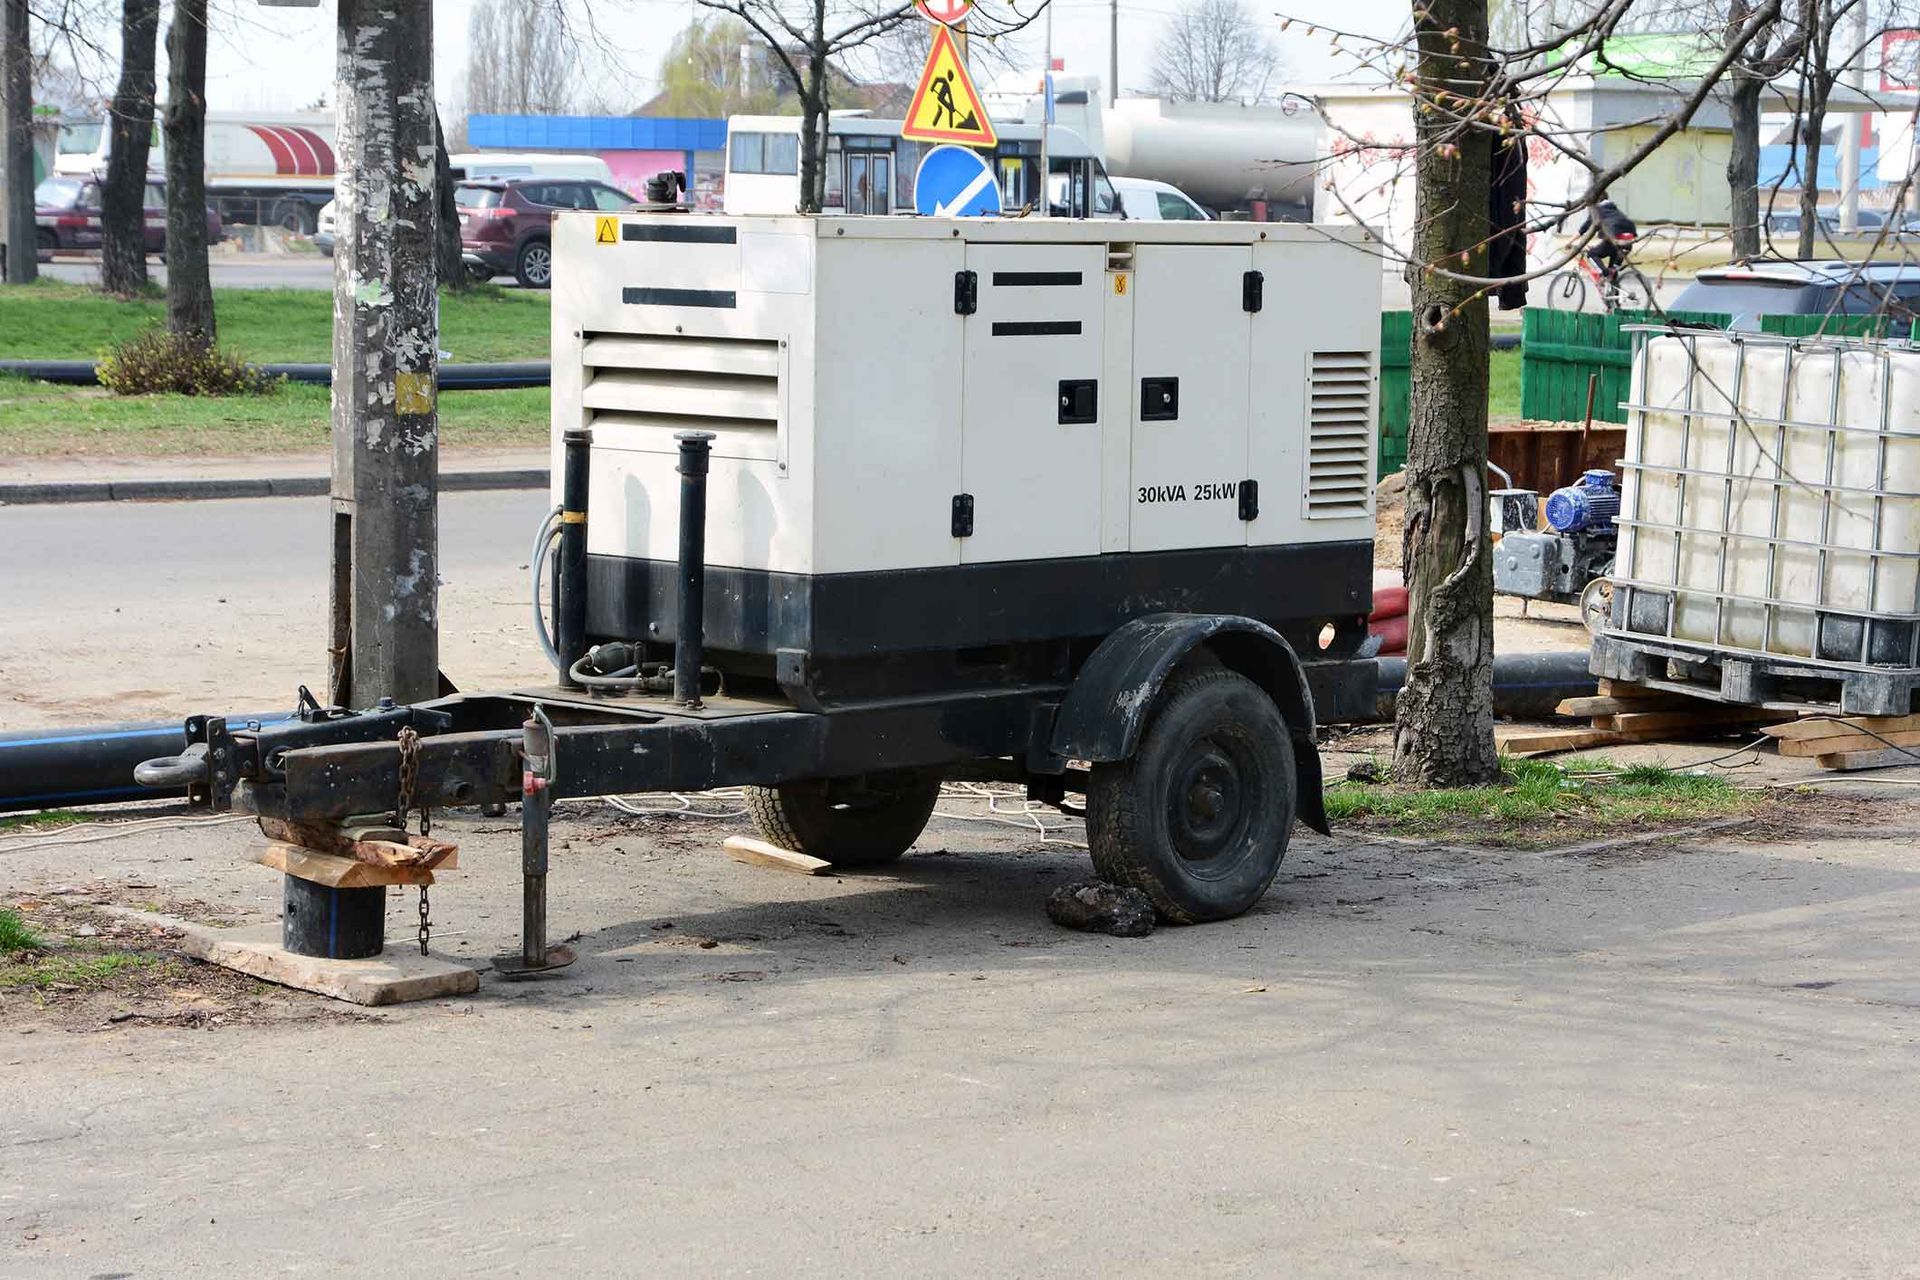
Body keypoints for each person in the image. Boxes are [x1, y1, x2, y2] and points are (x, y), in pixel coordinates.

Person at [1580, 198, 1638, 281]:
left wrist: (1570, 242)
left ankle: (1605, 274)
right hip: (1628, 244)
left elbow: (1584, 228)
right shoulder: (1616, 211)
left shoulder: (1597, 210)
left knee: (1591, 254)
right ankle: (1614, 285)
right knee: (1613, 270)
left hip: (1615, 243)